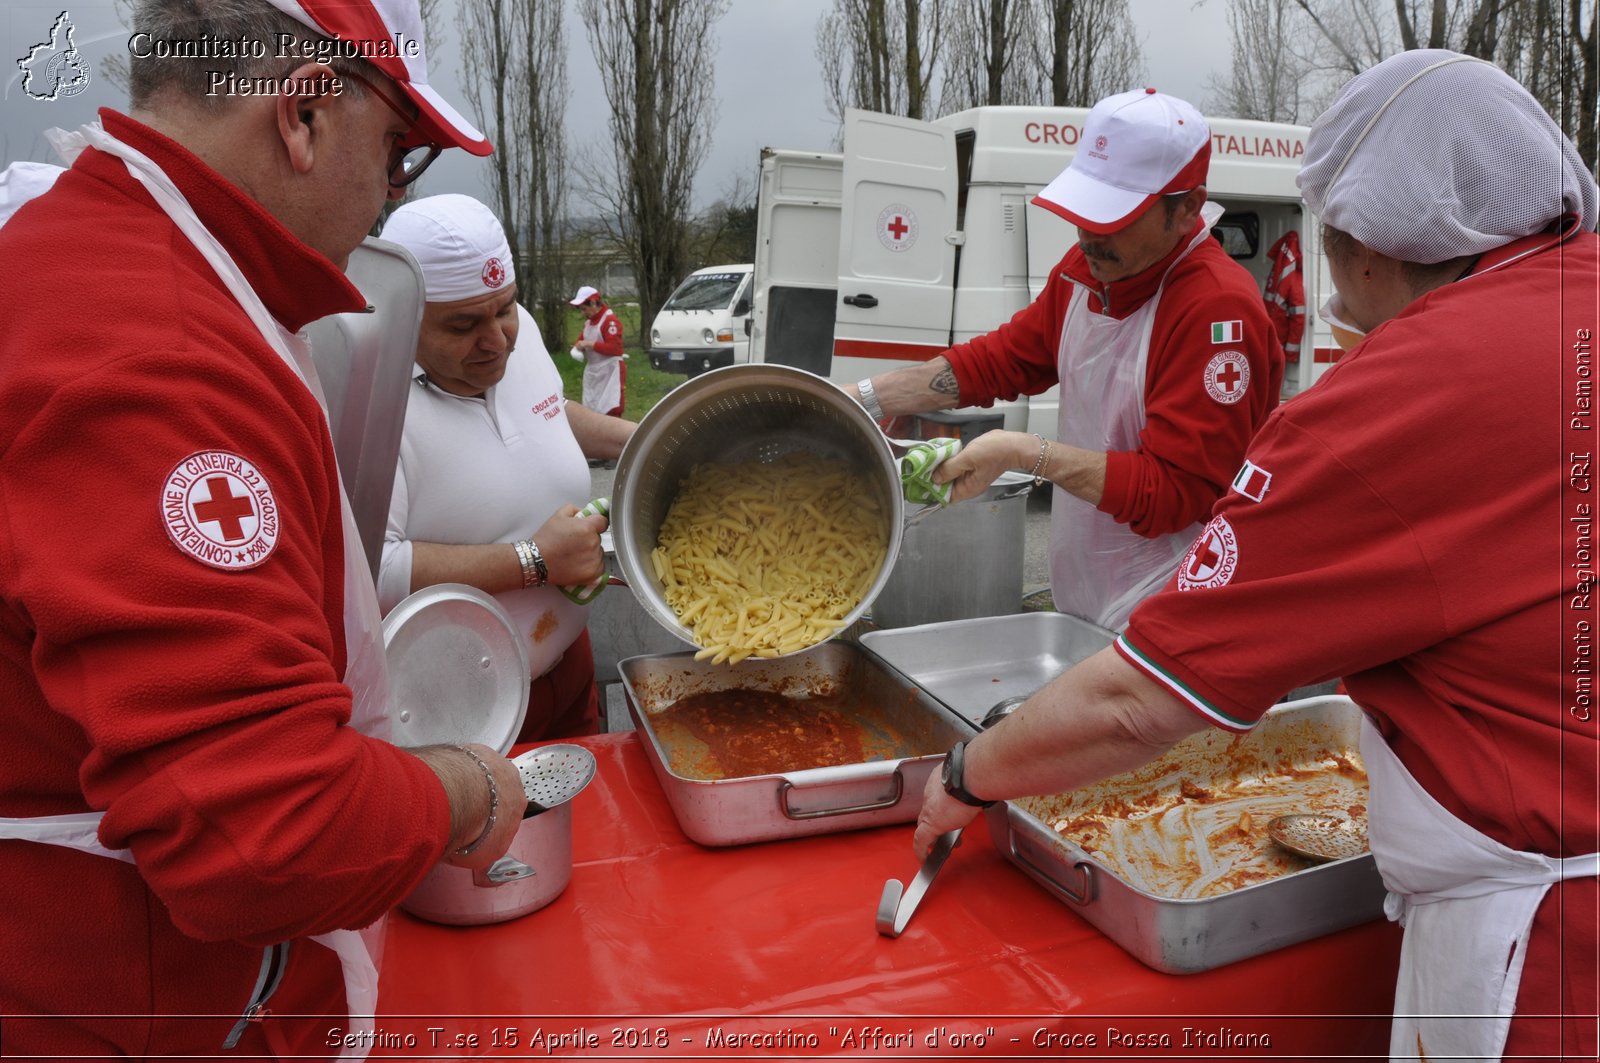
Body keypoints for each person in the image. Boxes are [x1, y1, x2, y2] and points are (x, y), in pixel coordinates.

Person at [913, 51, 1598, 1060]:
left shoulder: (1385, 390)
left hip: (1547, 936)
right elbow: (1007, 351)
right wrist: (884, 400)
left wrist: (970, 772)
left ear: (1361, 241)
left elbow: (1137, 698)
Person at [0, 1, 532, 1057]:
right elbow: (262, 829)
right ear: (302, 116)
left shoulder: (105, 261)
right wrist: (464, 789)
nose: (391, 197)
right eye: (398, 150)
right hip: (132, 1003)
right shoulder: (157, 351)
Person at [852, 88, 1283, 631]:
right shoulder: (1087, 269)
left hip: (1177, 604)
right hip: (1088, 594)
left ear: (1188, 208)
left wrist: (1023, 451)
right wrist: (861, 400)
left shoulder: (1216, 310)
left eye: (1115, 218)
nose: (1089, 236)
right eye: (1084, 212)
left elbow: (1176, 493)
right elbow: (1003, 360)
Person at [377, 194, 635, 740]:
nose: (497, 343)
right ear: (407, 315)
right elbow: (374, 572)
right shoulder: (371, 402)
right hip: (466, 713)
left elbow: (548, 410)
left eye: (505, 309)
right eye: (463, 324)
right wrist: (534, 561)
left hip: (568, 663)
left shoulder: (521, 341)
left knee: (587, 822)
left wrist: (641, 440)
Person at [571, 284, 627, 416]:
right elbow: (580, 341)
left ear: (594, 303)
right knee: (592, 410)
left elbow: (615, 348)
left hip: (610, 371)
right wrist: (578, 348)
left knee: (611, 409)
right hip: (594, 373)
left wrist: (590, 344)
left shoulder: (610, 321)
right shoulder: (589, 323)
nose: (583, 313)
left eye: (584, 309)